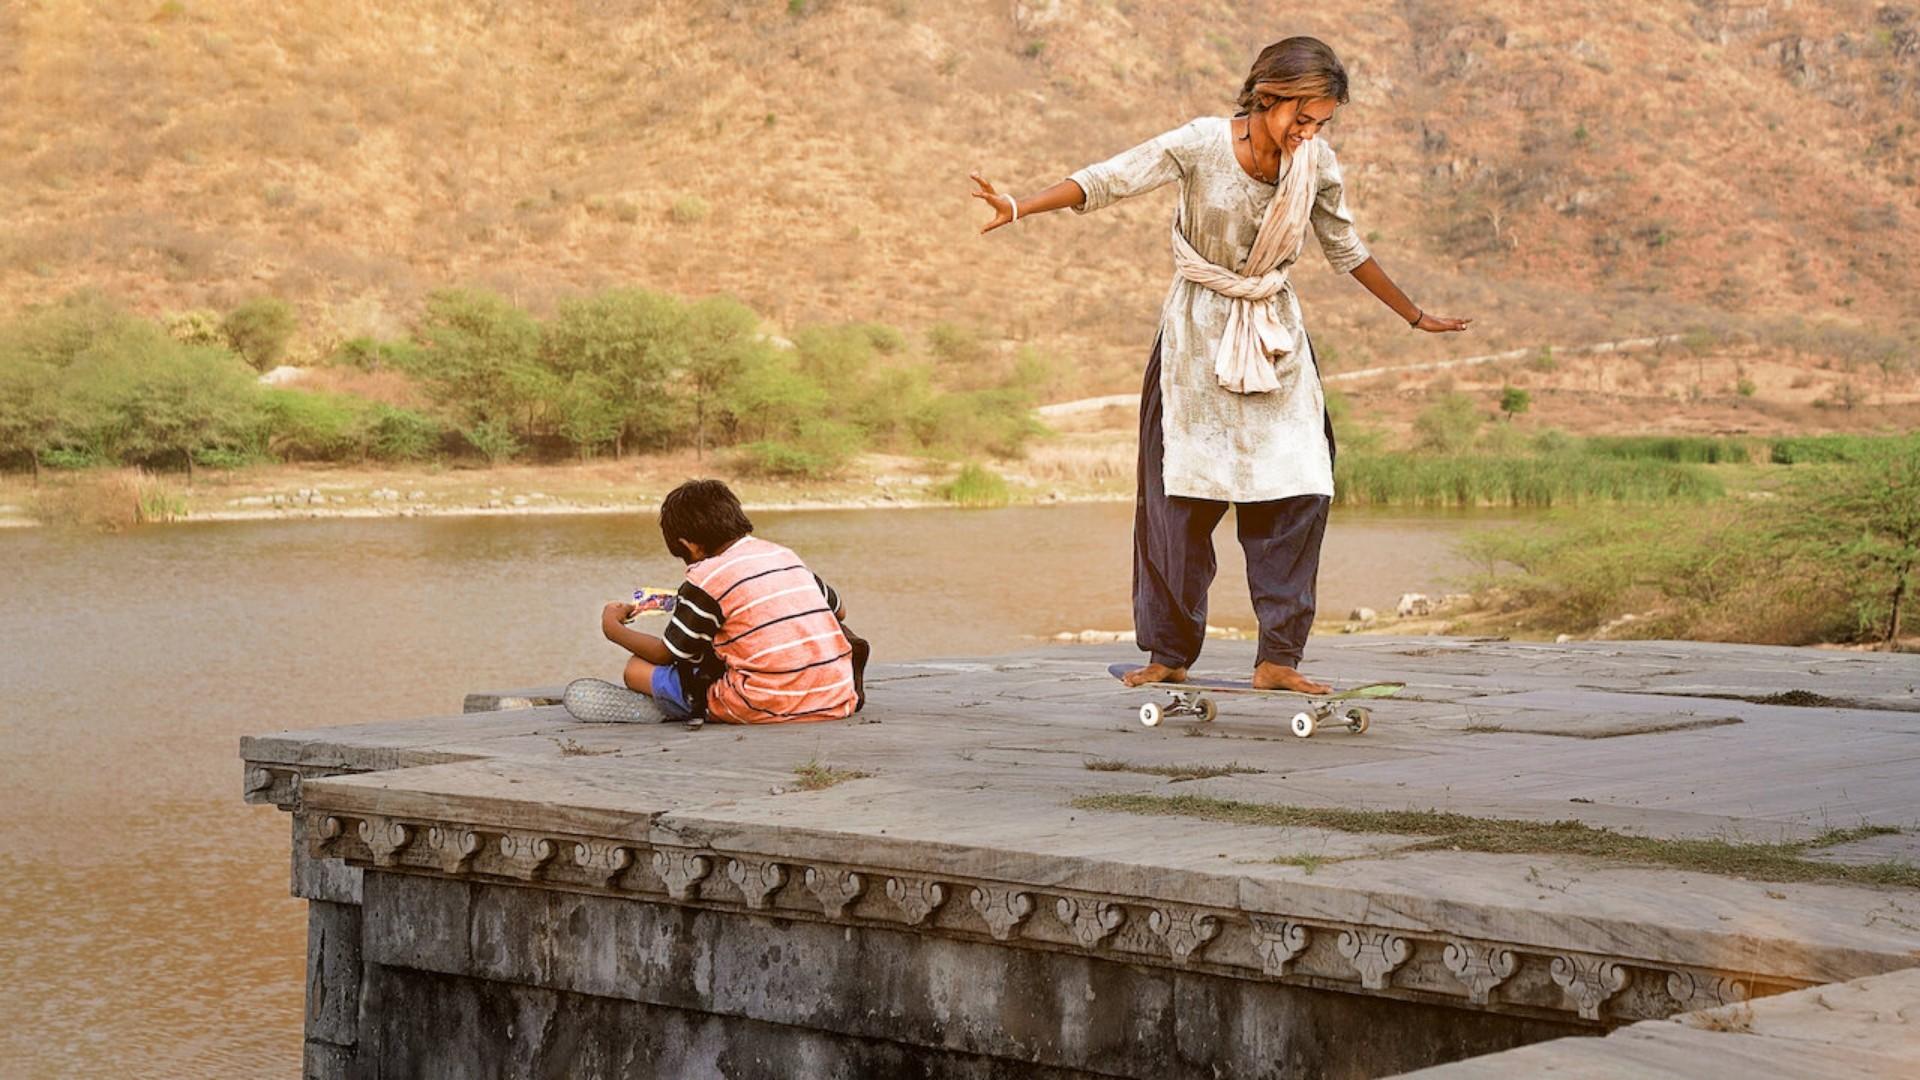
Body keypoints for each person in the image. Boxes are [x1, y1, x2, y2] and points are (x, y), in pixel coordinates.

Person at [969, 35, 1470, 693]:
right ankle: (1169, 651)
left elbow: (1346, 247)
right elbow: (1110, 178)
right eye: (1300, 117)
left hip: (1274, 338)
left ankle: (1278, 659)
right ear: (1267, 98)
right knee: (1178, 498)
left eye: (1321, 122)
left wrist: (1414, 315)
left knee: (1299, 488)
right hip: (1195, 336)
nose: (1307, 133)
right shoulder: (1204, 143)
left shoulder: (1314, 164)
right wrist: (1020, 206)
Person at [563, 479, 866, 726]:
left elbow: (666, 653)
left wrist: (612, 627)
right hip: (836, 696)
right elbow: (838, 610)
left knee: (637, 668)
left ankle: (681, 706)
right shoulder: (783, 555)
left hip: (759, 703)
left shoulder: (706, 579)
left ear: (688, 545)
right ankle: (824, 673)